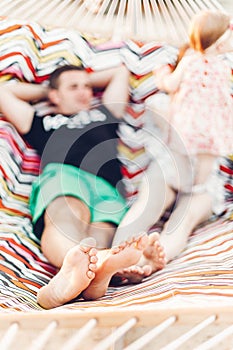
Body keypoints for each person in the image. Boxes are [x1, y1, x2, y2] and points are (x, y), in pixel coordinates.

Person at [0, 64, 150, 308]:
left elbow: (120, 71)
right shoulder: (42, 121)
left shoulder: (105, 113)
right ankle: (73, 272)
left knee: (101, 232)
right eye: (74, 87)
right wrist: (49, 88)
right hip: (64, 175)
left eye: (88, 87)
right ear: (55, 96)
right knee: (66, 215)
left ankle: (92, 277)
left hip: (107, 188)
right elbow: (3, 91)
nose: (84, 92)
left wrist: (75, 82)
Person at [110, 10, 233, 283]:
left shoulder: (195, 80)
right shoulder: (170, 102)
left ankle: (149, 261)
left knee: (182, 220)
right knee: (149, 208)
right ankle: (119, 259)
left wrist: (166, 78)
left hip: (198, 178)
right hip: (180, 170)